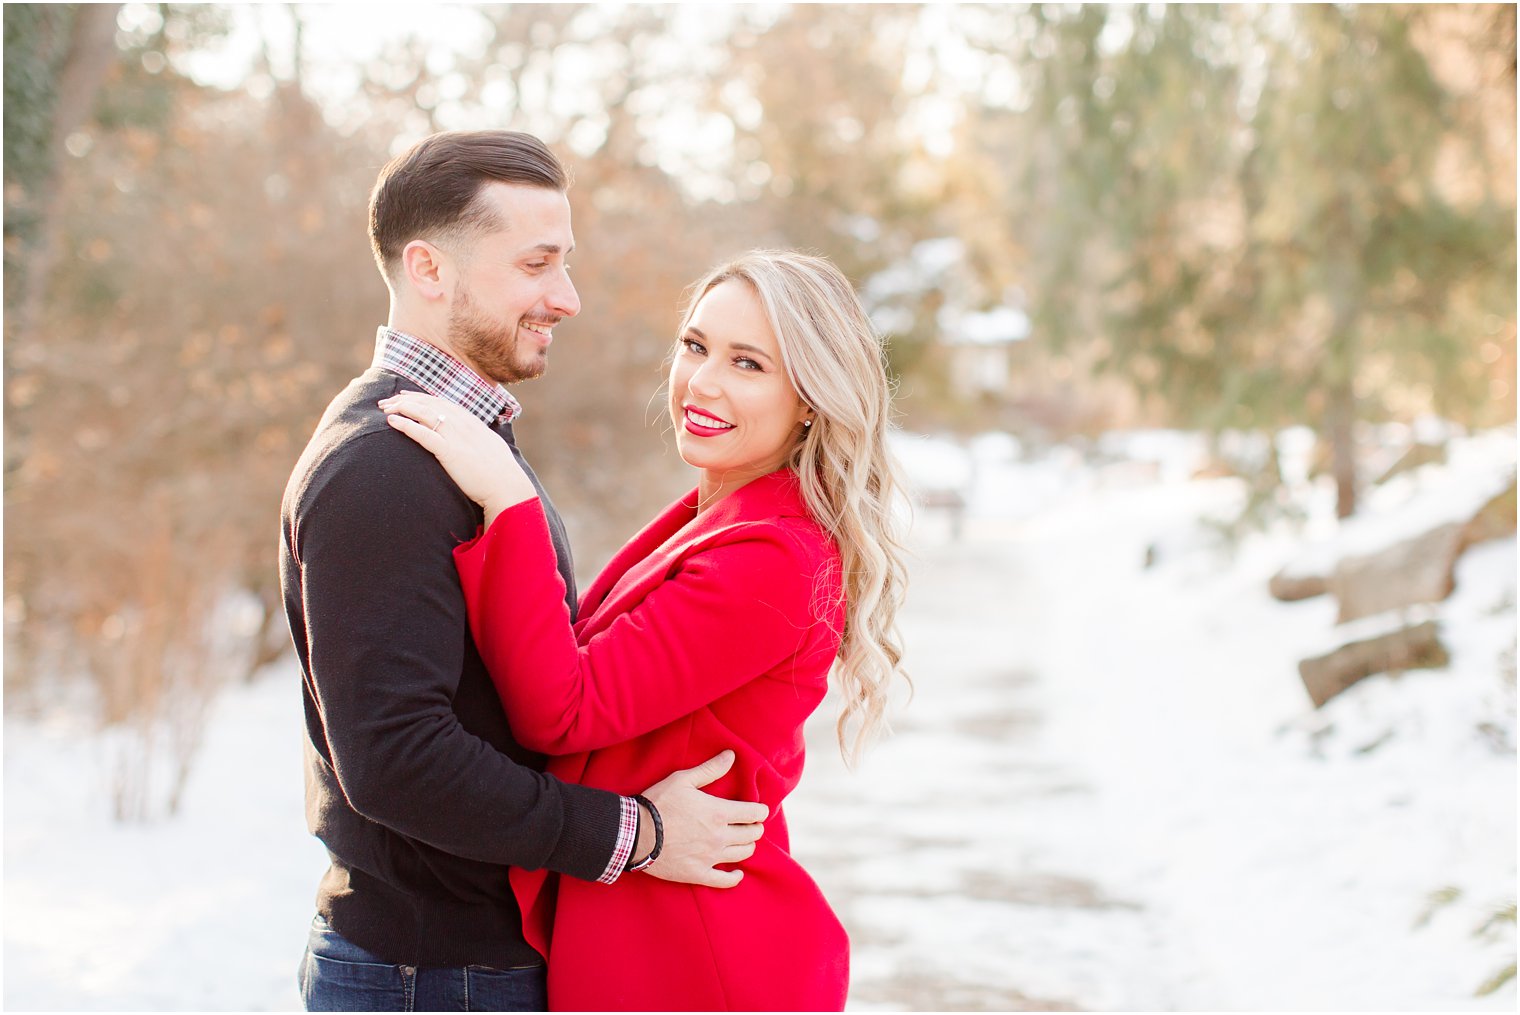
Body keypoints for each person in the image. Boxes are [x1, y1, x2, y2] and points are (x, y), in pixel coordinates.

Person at [280, 130, 769, 1013]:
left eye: (565, 264)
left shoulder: (459, 444)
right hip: (429, 976)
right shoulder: (379, 471)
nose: (567, 298)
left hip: (464, 966)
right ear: (429, 269)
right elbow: (397, 759)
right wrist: (637, 834)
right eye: (537, 264)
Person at [379, 249, 911, 1010]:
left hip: (695, 955)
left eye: (749, 363)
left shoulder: (772, 554)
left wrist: (509, 499)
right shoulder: (723, 514)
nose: (704, 381)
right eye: (695, 346)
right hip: (651, 929)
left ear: (810, 400)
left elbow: (562, 708)